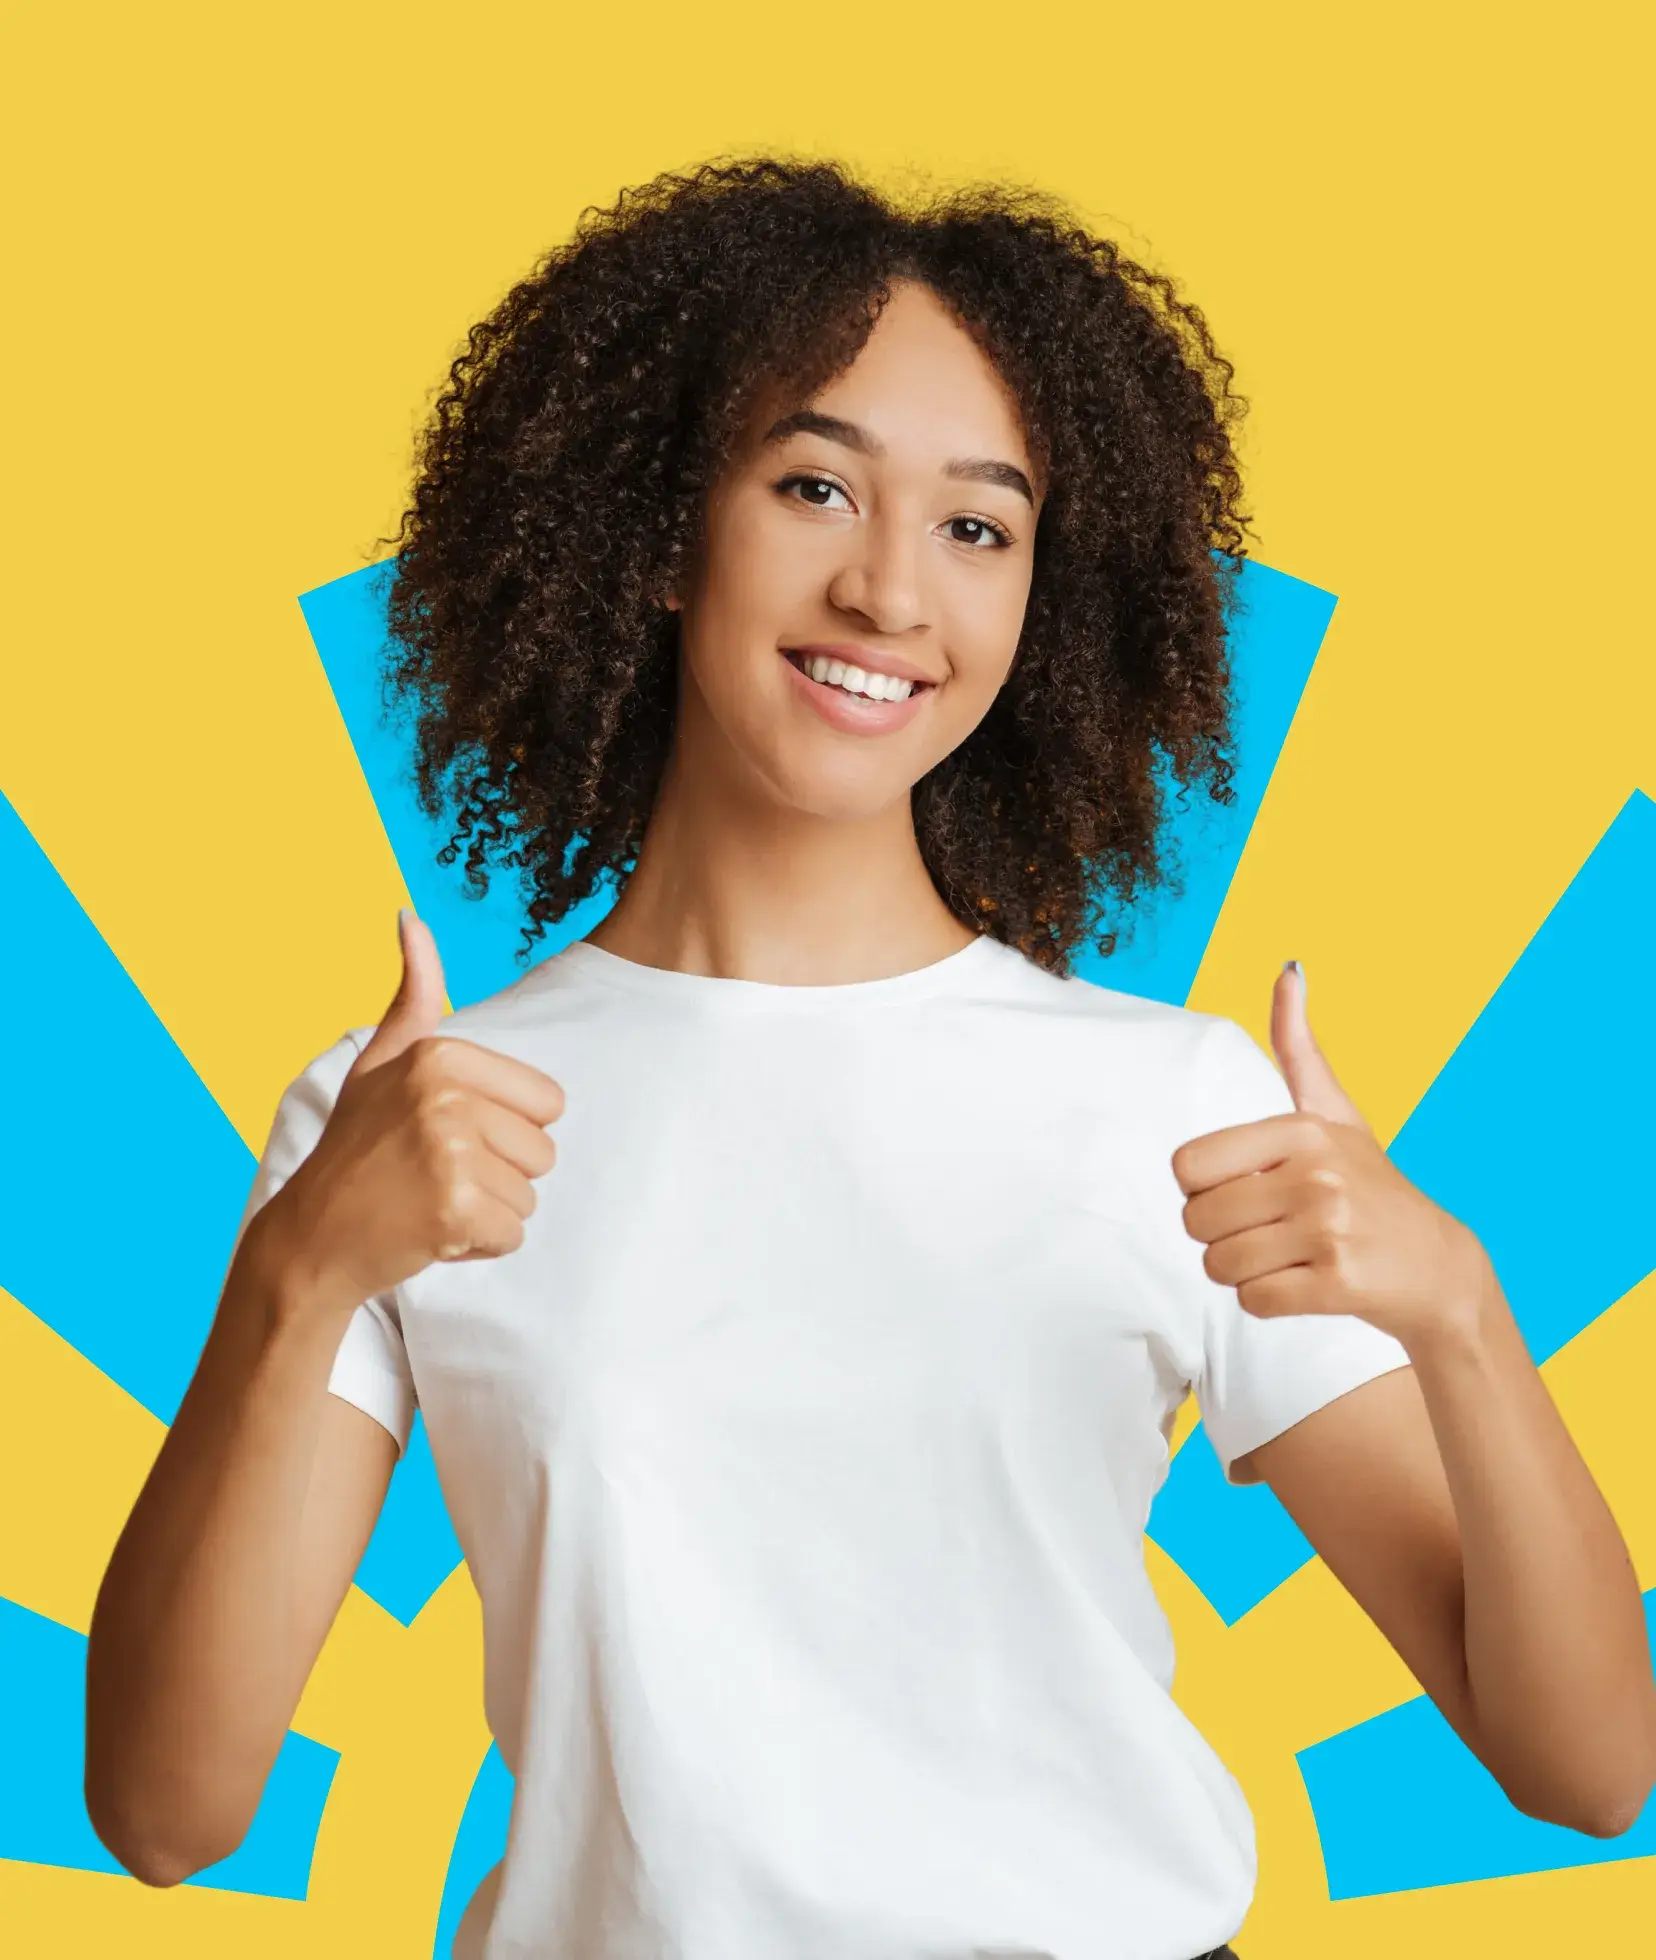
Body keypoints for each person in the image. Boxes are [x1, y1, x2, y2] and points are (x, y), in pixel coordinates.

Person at [84, 156, 1656, 1960]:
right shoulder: (412, 1131)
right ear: (667, 529)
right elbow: (163, 1811)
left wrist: (1458, 1313)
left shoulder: (1175, 1111)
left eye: (980, 526)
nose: (893, 590)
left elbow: (1588, 1771)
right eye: (817, 485)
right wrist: (300, 1269)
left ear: (1037, 602)